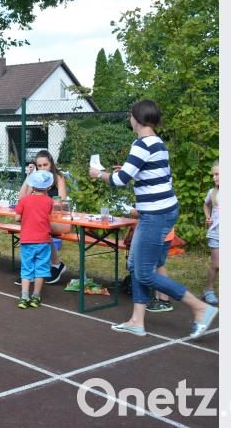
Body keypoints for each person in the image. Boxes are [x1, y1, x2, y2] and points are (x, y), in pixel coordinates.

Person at [89, 99, 217, 339]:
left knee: (145, 273)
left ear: (137, 118)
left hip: (156, 215)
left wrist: (99, 174)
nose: (129, 119)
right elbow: (147, 174)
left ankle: (200, 308)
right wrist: (125, 171)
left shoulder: (141, 144)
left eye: (130, 115)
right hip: (162, 211)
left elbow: (120, 181)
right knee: (136, 265)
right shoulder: (157, 143)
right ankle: (137, 321)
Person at [19, 150, 68, 282]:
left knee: (37, 227)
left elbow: (62, 201)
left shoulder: (58, 177)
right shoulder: (36, 179)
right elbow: (22, 198)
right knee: (35, 225)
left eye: (45, 165)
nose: (42, 168)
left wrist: (44, 204)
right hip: (42, 220)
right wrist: (29, 176)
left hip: (59, 220)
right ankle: (33, 270)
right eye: (39, 166)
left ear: (51, 164)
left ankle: (53, 265)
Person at [11, 170, 55, 309]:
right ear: (48, 187)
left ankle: (24, 297)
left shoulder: (24, 200)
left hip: (27, 240)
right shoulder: (49, 201)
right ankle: (36, 296)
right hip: (43, 240)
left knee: (27, 268)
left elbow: (17, 217)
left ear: (32, 185)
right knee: (41, 268)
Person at [202, 160, 219, 305]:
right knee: (217, 264)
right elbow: (206, 205)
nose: (214, 177)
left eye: (217, 174)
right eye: (213, 174)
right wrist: (208, 217)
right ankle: (208, 290)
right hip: (215, 234)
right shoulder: (212, 193)